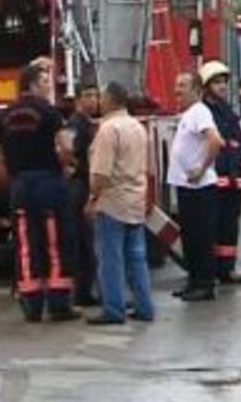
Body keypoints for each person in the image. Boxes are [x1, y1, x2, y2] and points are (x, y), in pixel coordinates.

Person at [0, 62, 80, 322]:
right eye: (45, 82)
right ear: (32, 84)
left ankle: (31, 303)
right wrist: (68, 165)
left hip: (20, 185)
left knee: (25, 241)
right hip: (48, 182)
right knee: (55, 241)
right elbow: (66, 147)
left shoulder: (4, 115)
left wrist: (17, 165)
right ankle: (58, 303)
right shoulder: (50, 113)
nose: (49, 86)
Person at [84, 82, 155, 324]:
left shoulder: (108, 129)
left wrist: (92, 199)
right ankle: (145, 307)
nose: (99, 101)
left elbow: (101, 175)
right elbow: (148, 166)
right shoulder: (138, 127)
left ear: (110, 100)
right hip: (135, 201)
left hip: (112, 203)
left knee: (110, 260)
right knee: (137, 258)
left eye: (101, 96)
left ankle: (114, 310)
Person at [168, 72, 225, 301]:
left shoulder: (200, 112)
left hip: (200, 188)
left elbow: (215, 141)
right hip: (187, 187)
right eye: (176, 85)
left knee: (201, 238)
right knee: (190, 238)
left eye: (182, 85)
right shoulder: (189, 114)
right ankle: (194, 281)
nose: (177, 90)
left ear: (197, 90)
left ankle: (205, 284)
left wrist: (201, 168)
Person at [199, 61, 241, 285]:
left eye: (223, 82)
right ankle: (209, 270)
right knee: (210, 227)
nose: (222, 87)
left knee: (229, 226)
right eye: (216, 82)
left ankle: (227, 269)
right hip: (212, 178)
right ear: (206, 86)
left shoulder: (227, 110)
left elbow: (239, 142)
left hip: (232, 178)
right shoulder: (203, 112)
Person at [66, 82, 100, 306]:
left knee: (88, 241)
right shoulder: (76, 124)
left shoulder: (86, 123)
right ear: (77, 99)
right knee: (83, 241)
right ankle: (81, 292)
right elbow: (68, 151)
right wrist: (77, 169)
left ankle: (85, 290)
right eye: (88, 95)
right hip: (79, 187)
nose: (93, 100)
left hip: (85, 184)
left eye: (95, 95)